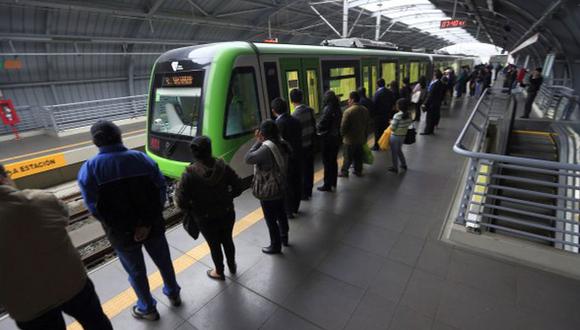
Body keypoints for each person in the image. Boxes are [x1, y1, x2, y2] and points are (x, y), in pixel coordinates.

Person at [78, 120, 181, 321]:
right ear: (120, 136)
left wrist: (127, 227)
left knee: (136, 271)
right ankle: (173, 293)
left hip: (121, 234)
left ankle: (148, 308)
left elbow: (94, 208)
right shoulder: (142, 159)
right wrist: (146, 223)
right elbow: (161, 191)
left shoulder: (89, 169)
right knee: (164, 262)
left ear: (94, 142)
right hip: (152, 225)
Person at [0, 164, 113, 330]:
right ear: (3, 178)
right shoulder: (41, 199)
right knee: (96, 323)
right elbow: (64, 215)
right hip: (72, 283)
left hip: (26, 304)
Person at [175, 136, 242, 281]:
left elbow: (180, 202)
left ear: (194, 154)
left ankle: (219, 271)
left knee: (214, 245)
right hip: (226, 212)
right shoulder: (223, 167)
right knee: (228, 240)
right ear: (210, 150)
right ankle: (232, 266)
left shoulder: (188, 175)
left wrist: (192, 208)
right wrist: (228, 198)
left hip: (204, 218)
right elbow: (238, 186)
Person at [245, 120, 292, 254]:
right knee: (281, 212)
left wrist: (259, 141)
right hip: (281, 184)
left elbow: (248, 158)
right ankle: (284, 237)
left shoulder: (266, 148)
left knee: (270, 219)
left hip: (269, 189)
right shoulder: (283, 143)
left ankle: (275, 245)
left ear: (263, 134)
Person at [272, 98, 302, 218]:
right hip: (298, 156)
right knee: (296, 182)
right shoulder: (296, 120)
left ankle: (288, 211)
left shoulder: (277, 124)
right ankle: (295, 207)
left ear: (274, 111)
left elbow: (278, 144)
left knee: (287, 184)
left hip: (286, 160)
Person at [289, 89, 316, 201]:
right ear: (302, 97)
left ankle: (304, 194)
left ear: (291, 100)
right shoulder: (310, 110)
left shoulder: (294, 115)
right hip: (311, 144)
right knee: (309, 169)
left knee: (302, 171)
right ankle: (309, 190)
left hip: (301, 148)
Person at [339, 91, 370, 177]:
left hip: (350, 140)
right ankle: (358, 171)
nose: (348, 101)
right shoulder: (365, 109)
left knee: (347, 157)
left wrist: (342, 135)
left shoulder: (348, 111)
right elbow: (367, 124)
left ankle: (344, 172)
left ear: (352, 99)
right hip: (361, 138)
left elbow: (343, 127)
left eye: (349, 99)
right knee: (358, 157)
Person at [316, 91, 342, 192]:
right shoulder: (337, 108)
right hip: (336, 138)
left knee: (327, 162)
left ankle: (327, 185)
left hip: (327, 140)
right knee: (333, 161)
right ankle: (333, 182)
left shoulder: (328, 109)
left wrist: (317, 127)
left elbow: (323, 124)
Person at [388, 99, 414, 174]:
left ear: (399, 106)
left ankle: (395, 167)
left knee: (394, 152)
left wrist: (391, 122)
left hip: (395, 136)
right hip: (403, 136)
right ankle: (403, 164)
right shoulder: (409, 114)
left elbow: (393, 128)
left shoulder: (397, 115)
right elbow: (409, 124)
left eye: (397, 104)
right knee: (399, 150)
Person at [371, 78, 394, 150]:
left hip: (378, 116)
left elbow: (374, 104)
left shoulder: (377, 93)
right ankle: (385, 143)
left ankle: (377, 146)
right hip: (387, 115)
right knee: (385, 130)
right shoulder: (389, 92)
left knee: (377, 131)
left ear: (377, 85)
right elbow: (393, 102)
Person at [421, 70, 446, 135]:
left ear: (435, 76)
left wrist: (425, 103)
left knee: (429, 118)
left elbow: (430, 95)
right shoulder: (441, 83)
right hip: (437, 103)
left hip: (432, 104)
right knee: (432, 117)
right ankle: (431, 130)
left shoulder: (435, 84)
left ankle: (427, 131)